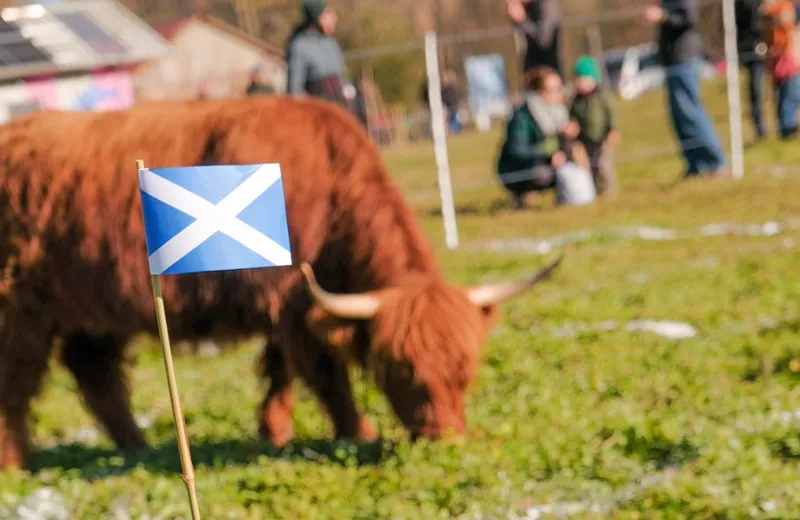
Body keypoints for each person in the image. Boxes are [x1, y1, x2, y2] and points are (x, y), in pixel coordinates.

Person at [642, 0, 728, 178]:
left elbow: (689, 19)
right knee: (678, 116)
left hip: (684, 59)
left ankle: (716, 162)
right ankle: (696, 165)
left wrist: (662, 16)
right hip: (672, 60)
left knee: (690, 111)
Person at [496, 67, 589, 209]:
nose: (559, 93)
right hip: (516, 169)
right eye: (553, 89)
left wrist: (571, 138)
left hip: (547, 161)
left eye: (560, 88)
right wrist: (548, 157)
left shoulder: (559, 112)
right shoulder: (522, 116)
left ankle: (568, 196)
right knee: (542, 173)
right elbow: (517, 150)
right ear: (540, 92)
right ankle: (522, 196)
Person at [569, 56, 620, 197]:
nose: (580, 84)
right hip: (585, 141)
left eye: (584, 80)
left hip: (602, 139)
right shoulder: (576, 101)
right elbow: (572, 116)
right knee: (589, 166)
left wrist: (613, 130)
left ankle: (609, 191)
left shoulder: (601, 97)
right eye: (578, 80)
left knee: (604, 165)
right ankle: (593, 191)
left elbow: (611, 114)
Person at [285, 0, 349, 107]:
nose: (333, 19)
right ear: (316, 18)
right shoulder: (300, 46)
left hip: (340, 103)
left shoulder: (330, 42)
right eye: (328, 15)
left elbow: (341, 75)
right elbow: (294, 90)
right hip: (317, 108)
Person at [759, 0, 800, 139]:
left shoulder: (784, 7)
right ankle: (786, 128)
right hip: (779, 58)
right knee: (783, 95)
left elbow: (787, 24)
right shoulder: (771, 11)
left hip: (788, 57)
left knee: (791, 94)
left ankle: (789, 127)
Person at [735, 0, 767, 139]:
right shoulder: (740, 3)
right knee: (755, 89)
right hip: (751, 50)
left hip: (773, 44)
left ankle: (785, 125)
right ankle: (760, 129)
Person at [506, 0, 562, 77]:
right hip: (531, 72)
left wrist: (522, 21)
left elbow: (544, 41)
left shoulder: (547, 5)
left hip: (549, 74)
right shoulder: (527, 6)